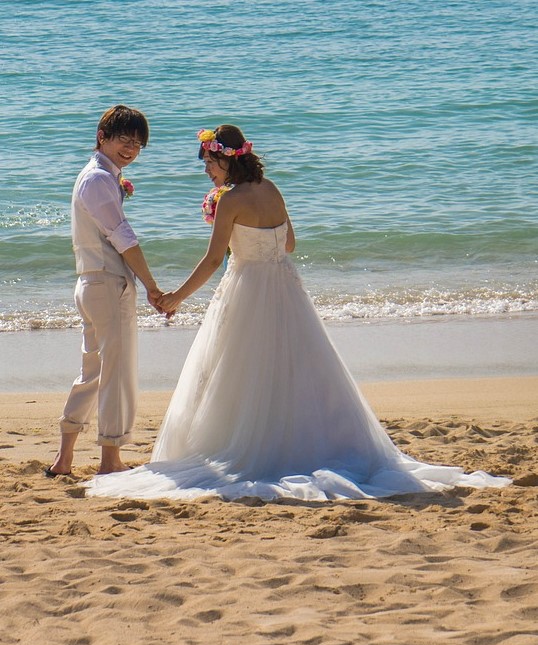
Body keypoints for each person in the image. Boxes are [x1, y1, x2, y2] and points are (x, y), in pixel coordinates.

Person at [85, 125, 511, 500]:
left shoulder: (231, 200)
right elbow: (289, 245)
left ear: (224, 161)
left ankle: (255, 446)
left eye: (209, 164)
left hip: (247, 288)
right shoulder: (271, 190)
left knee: (242, 371)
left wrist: (175, 296)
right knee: (298, 368)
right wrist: (256, 243)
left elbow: (214, 260)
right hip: (285, 288)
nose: (207, 172)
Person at [46, 105, 164, 477]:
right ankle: (110, 460)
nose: (131, 148)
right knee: (117, 372)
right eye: (124, 140)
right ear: (103, 137)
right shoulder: (98, 179)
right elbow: (123, 238)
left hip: (92, 282)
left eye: (137, 143)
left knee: (93, 372)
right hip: (106, 284)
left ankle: (64, 460)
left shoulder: (99, 176)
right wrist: (152, 286)